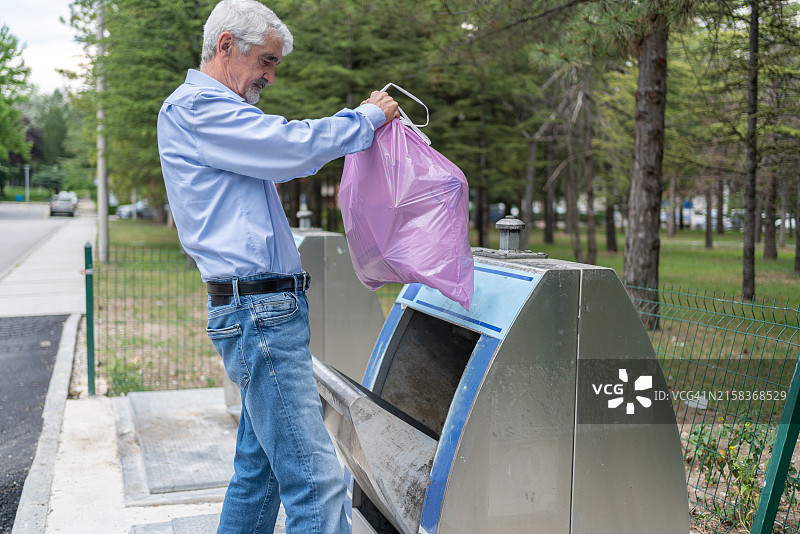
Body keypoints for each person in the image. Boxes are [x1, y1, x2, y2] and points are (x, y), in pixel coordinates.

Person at [156, 1, 398, 532]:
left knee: (258, 475)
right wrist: (366, 118)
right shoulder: (199, 108)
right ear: (226, 45)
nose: (270, 75)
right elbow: (290, 148)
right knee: (317, 483)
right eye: (266, 60)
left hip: (260, 308)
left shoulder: (211, 112)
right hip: (259, 310)